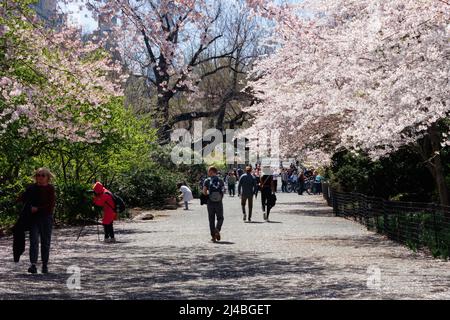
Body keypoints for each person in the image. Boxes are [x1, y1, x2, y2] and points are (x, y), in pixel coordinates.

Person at [17, 168, 56, 274]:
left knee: (45, 242)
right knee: (33, 241)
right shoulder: (32, 188)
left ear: (48, 177)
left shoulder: (50, 188)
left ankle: (44, 264)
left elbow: (50, 205)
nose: (40, 177)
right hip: (34, 218)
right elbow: (22, 199)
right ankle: (33, 264)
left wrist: (38, 208)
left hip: (46, 218)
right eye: (38, 175)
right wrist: (22, 196)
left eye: (43, 175)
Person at [202, 166, 225, 242]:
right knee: (220, 218)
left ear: (211, 172)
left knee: (211, 219)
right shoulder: (221, 180)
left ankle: (213, 236)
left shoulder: (207, 180)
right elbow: (223, 191)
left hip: (210, 202)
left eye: (208, 171)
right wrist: (220, 198)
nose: (208, 173)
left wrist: (208, 196)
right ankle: (217, 229)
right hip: (218, 202)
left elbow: (204, 192)